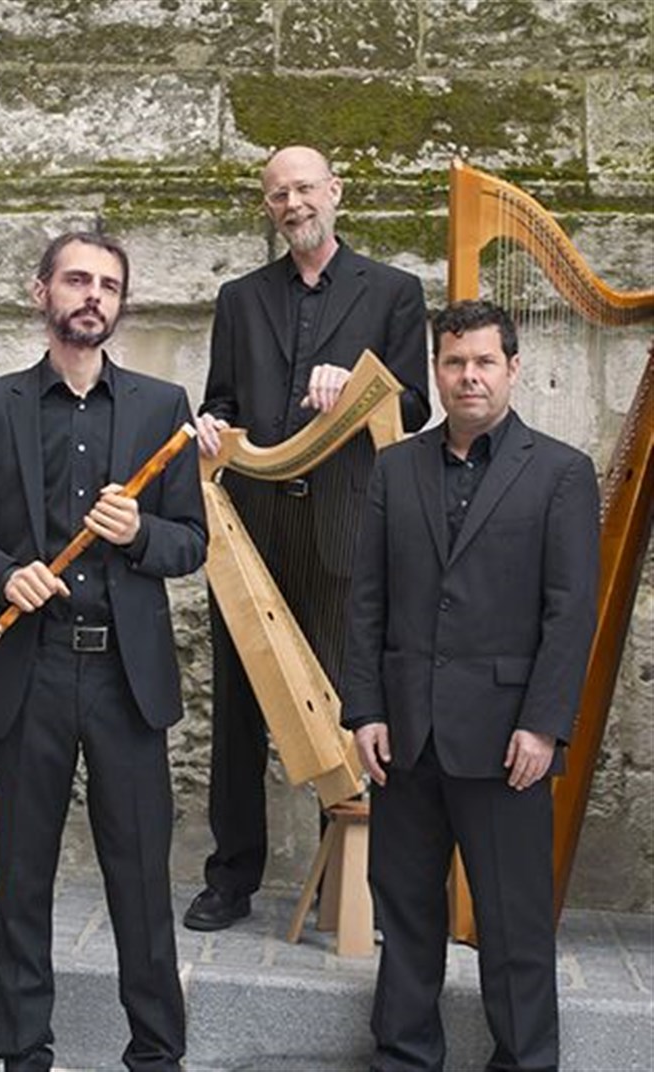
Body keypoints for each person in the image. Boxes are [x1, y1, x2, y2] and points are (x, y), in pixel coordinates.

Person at [0, 231, 207, 1072]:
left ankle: (157, 1057)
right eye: (77, 280)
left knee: (140, 882)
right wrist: (1, 574)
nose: (93, 295)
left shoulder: (162, 408)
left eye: (109, 284)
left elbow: (190, 542)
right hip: (28, 673)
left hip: (125, 679)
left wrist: (139, 534)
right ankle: (24, 1057)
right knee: (22, 882)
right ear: (42, 293)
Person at [341, 300, 600, 1072]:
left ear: (512, 369)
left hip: (508, 742)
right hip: (407, 737)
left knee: (515, 926)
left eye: (485, 361)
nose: (469, 376)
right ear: (437, 371)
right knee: (405, 919)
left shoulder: (560, 473)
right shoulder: (396, 469)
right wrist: (365, 710)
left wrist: (544, 724)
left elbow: (569, 613)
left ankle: (525, 1061)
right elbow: (368, 600)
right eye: (454, 362)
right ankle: (404, 1057)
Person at [183, 145, 430, 932]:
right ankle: (232, 878)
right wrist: (212, 425)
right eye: (278, 195)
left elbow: (415, 408)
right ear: (268, 207)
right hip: (250, 525)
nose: (293, 204)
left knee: (348, 706)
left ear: (335, 191)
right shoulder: (240, 297)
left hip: (341, 527)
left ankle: (348, 881)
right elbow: (222, 402)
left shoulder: (393, 291)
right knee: (236, 711)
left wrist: (358, 387)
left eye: (304, 189)